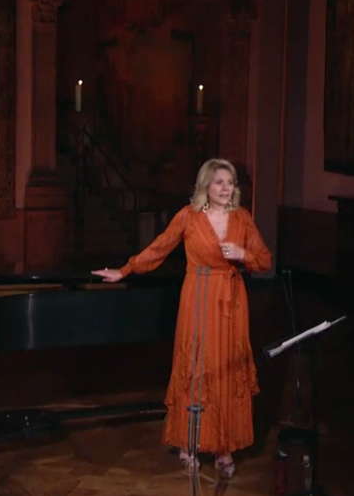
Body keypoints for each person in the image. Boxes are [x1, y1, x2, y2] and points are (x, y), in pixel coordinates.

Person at [92, 158, 272, 479]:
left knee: (227, 368)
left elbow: (264, 260)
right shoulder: (188, 217)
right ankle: (190, 442)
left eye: (229, 183)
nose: (225, 188)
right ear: (205, 185)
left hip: (231, 303)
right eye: (218, 182)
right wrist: (125, 269)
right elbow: (159, 248)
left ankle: (223, 446)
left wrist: (243, 255)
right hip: (198, 299)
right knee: (197, 366)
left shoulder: (242, 219)